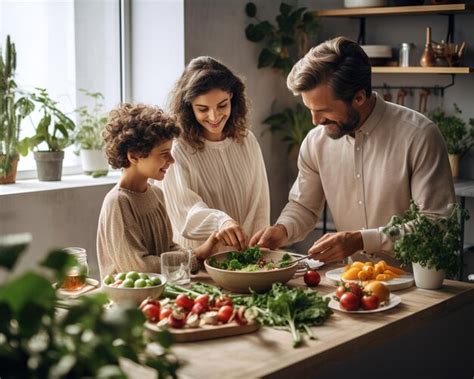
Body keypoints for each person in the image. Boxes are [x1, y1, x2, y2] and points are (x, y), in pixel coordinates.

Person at [250, 36, 455, 266]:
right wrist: (283, 229)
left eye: (324, 110)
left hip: (419, 283)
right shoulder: (315, 142)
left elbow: (436, 223)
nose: (315, 121)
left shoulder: (419, 135)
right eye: (310, 109)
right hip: (353, 283)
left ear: (359, 97)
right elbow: (304, 206)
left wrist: (361, 240)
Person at [97, 103, 217, 278]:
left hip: (159, 297)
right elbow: (138, 268)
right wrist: (195, 256)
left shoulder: (156, 193)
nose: (172, 160)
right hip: (128, 302)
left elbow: (168, 247)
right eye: (164, 154)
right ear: (134, 156)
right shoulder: (118, 202)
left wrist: (206, 247)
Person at [163, 56, 270, 251]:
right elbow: (184, 214)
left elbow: (259, 203)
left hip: (245, 261)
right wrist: (221, 221)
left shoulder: (247, 140)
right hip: (198, 264)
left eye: (222, 105)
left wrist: (256, 250)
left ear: (232, 98)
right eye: (203, 109)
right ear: (189, 108)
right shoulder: (177, 149)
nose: (214, 117)